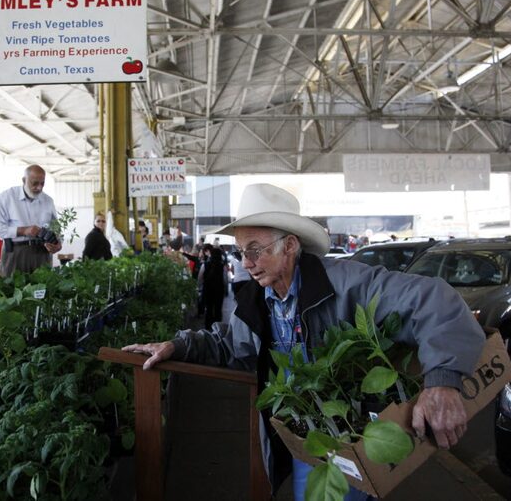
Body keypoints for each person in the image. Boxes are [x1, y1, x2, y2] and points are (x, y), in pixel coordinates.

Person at [123, 183, 486, 499]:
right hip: (307, 438)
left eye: (255, 249)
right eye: (240, 251)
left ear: (290, 246)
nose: (246, 263)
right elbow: (232, 345)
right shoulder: (255, 300)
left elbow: (434, 300)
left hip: (354, 436)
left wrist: (442, 381)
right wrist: (178, 346)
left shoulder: (347, 283)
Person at [0, 164, 61, 277]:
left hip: (42, 253)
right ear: (24, 180)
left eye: (42, 183)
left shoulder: (48, 201)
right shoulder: (6, 198)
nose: (39, 188)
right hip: (15, 252)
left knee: (44, 290)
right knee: (12, 290)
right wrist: (22, 230)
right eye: (35, 183)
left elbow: (56, 228)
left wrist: (58, 243)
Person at [198, 247, 228, 329]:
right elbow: (225, 279)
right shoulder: (222, 266)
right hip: (219, 290)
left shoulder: (205, 265)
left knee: (209, 309)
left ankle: (208, 328)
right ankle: (219, 329)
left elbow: (200, 278)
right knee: (218, 309)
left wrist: (199, 287)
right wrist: (225, 290)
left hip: (208, 290)